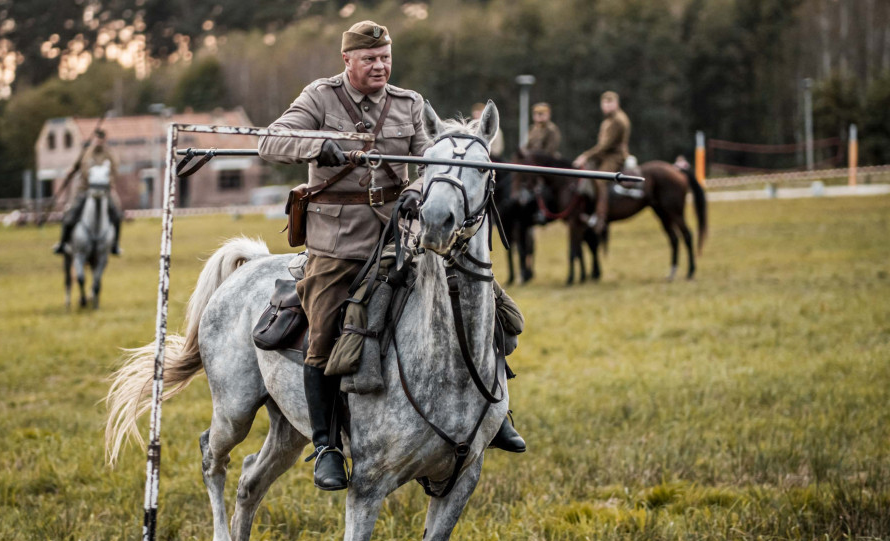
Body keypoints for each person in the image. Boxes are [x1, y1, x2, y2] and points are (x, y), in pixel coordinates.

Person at [259, 20, 526, 492]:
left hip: (403, 234)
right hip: (339, 243)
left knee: (487, 303)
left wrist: (419, 192)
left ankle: (493, 412)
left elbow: (430, 160)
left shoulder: (410, 103)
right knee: (324, 330)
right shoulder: (320, 98)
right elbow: (271, 140)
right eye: (369, 59)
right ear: (348, 61)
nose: (380, 66)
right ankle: (325, 446)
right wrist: (320, 144)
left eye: (385, 57)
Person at [52, 129, 123, 256]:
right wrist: (70, 172)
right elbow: (76, 167)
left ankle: (115, 245)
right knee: (70, 215)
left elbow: (114, 171)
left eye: (101, 139)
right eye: (96, 139)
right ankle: (63, 243)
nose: (98, 142)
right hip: (85, 189)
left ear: (104, 140)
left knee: (117, 214)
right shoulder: (85, 153)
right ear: (94, 139)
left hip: (105, 191)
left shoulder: (110, 155)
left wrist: (109, 184)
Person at [574, 91, 630, 231]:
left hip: (615, 156)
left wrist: (586, 155)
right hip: (605, 155)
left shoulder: (618, 120)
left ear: (616, 104)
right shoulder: (609, 120)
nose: (607, 106)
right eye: (605, 103)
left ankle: (601, 216)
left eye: (610, 103)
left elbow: (606, 146)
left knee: (600, 179)